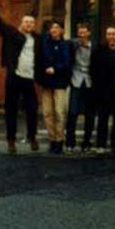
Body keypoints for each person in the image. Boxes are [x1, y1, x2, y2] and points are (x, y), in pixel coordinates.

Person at [0, 0, 42, 155]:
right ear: (21, 23)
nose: (29, 24)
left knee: (32, 109)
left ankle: (32, 137)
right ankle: (11, 141)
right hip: (14, 77)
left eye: (31, 22)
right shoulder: (12, 33)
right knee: (11, 110)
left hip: (29, 78)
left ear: (34, 25)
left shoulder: (37, 39)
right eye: (26, 22)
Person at [39, 20, 72, 154]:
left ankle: (59, 141)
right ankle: (52, 139)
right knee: (47, 113)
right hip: (47, 83)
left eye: (57, 27)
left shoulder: (65, 45)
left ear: (62, 30)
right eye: (52, 28)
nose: (54, 30)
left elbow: (67, 63)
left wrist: (55, 69)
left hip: (60, 83)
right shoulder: (45, 43)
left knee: (59, 112)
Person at [90, 25, 115, 154]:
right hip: (103, 91)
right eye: (109, 34)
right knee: (102, 119)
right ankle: (101, 145)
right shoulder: (99, 51)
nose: (111, 36)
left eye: (113, 34)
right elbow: (93, 70)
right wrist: (97, 87)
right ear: (106, 36)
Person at [66, 23, 95, 152]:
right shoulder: (72, 45)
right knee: (72, 113)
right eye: (80, 33)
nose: (82, 35)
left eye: (84, 32)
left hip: (90, 82)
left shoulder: (94, 47)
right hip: (76, 81)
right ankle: (70, 143)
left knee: (89, 114)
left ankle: (86, 142)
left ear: (89, 33)